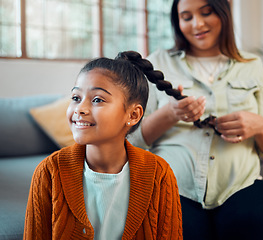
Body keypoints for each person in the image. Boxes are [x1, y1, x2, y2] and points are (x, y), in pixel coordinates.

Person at [128, 0, 263, 239]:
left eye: (207, 12)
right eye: (187, 17)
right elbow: (132, 141)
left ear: (224, 14)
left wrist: (259, 126)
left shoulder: (251, 65)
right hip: (172, 188)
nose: (198, 24)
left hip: (241, 187)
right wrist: (171, 114)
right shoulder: (159, 62)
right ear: (178, 22)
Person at [23, 51, 183, 240]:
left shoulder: (160, 175)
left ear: (133, 115)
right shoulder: (48, 172)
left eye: (97, 100)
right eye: (76, 98)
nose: (80, 109)